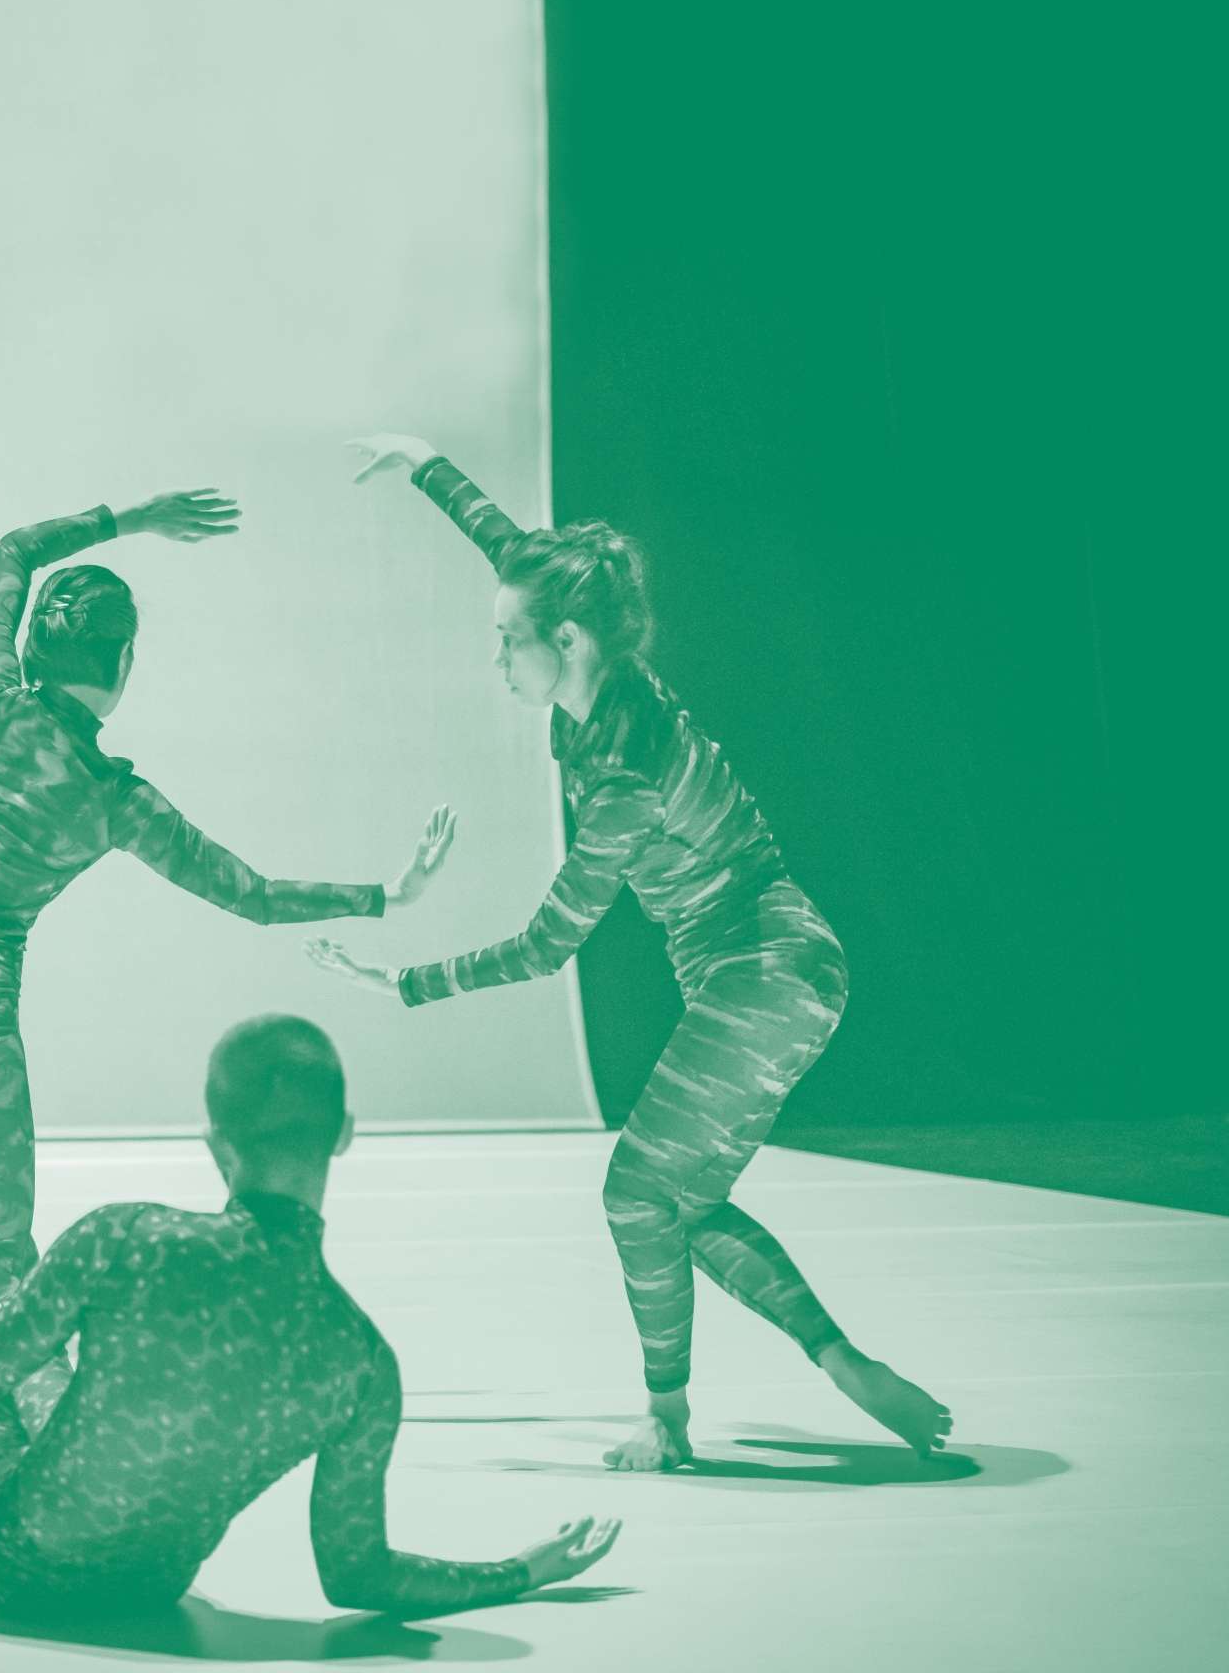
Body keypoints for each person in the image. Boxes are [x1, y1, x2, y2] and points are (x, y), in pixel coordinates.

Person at [307, 436, 952, 1472]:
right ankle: (840, 1362)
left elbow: (549, 943)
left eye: (506, 640)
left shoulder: (624, 774)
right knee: (678, 1205)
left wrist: (409, 983)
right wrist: (426, 464)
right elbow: (508, 547)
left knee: (633, 1193)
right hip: (783, 967)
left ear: (565, 640)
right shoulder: (598, 671)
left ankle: (667, 1418)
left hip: (764, 968)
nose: (495, 657)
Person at [0, 488, 454, 1319]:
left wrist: (131, 520)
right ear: (124, 664)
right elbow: (256, 896)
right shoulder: (114, 799)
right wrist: (387, 895)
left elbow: (14, 549)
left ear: (33, 645)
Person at [0, 1015, 621, 1616]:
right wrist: (519, 1571)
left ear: (216, 1142)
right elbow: (356, 1577)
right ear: (344, 1135)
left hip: (9, 1562)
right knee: (46, 1370)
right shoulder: (360, 1360)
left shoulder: (128, 1239)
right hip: (149, 1591)